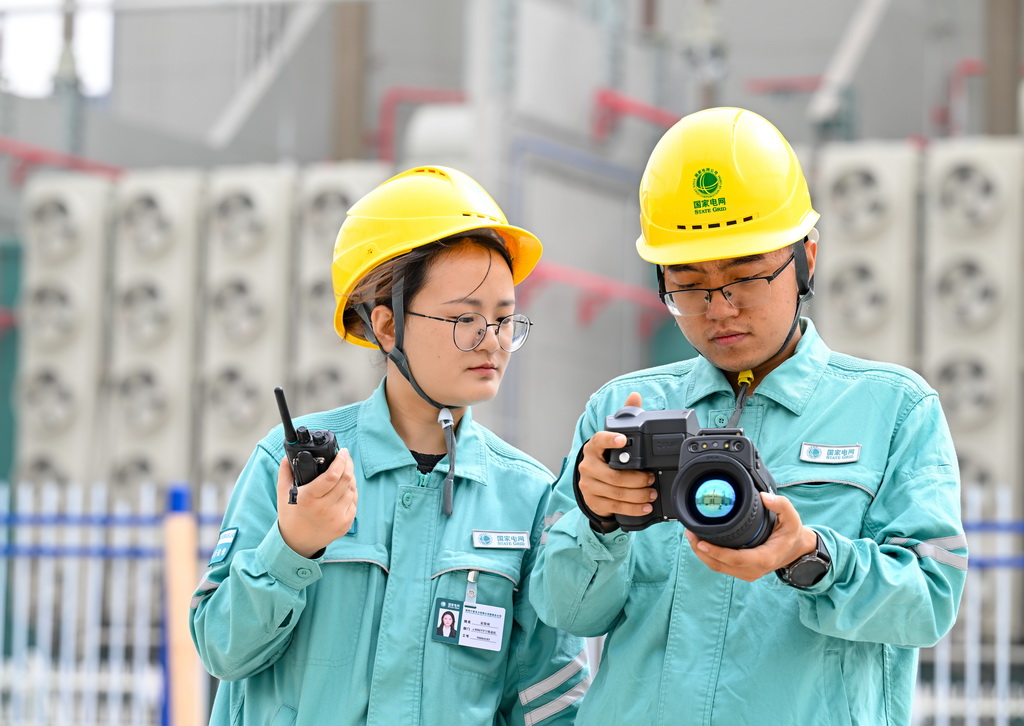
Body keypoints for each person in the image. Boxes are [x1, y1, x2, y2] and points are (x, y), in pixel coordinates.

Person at [529, 107, 967, 725]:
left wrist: (809, 556)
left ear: (806, 259)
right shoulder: (621, 411)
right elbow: (566, 611)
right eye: (689, 284)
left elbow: (930, 601)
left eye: (746, 276)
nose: (720, 309)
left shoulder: (893, 409)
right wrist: (598, 523)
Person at [191, 165, 589, 725]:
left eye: (503, 320)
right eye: (464, 319)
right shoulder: (293, 472)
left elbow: (549, 700)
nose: (492, 342)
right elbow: (220, 649)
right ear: (386, 326)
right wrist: (292, 546)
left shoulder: (526, 496)